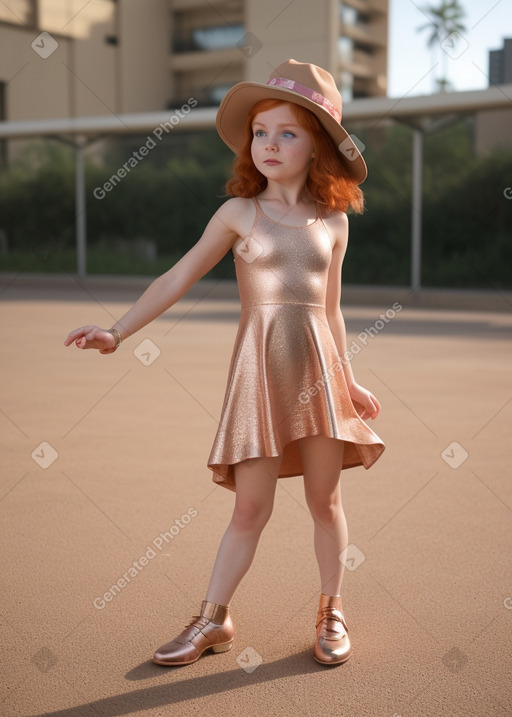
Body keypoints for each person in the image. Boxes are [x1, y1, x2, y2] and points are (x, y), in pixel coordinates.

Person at [64, 59, 385, 667]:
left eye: (287, 132)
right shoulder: (240, 213)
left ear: (316, 143)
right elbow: (179, 275)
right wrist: (118, 330)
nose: (269, 143)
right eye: (260, 132)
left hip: (319, 380)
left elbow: (333, 311)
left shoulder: (334, 222)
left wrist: (348, 379)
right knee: (249, 507)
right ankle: (213, 620)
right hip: (259, 378)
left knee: (326, 502)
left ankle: (331, 609)